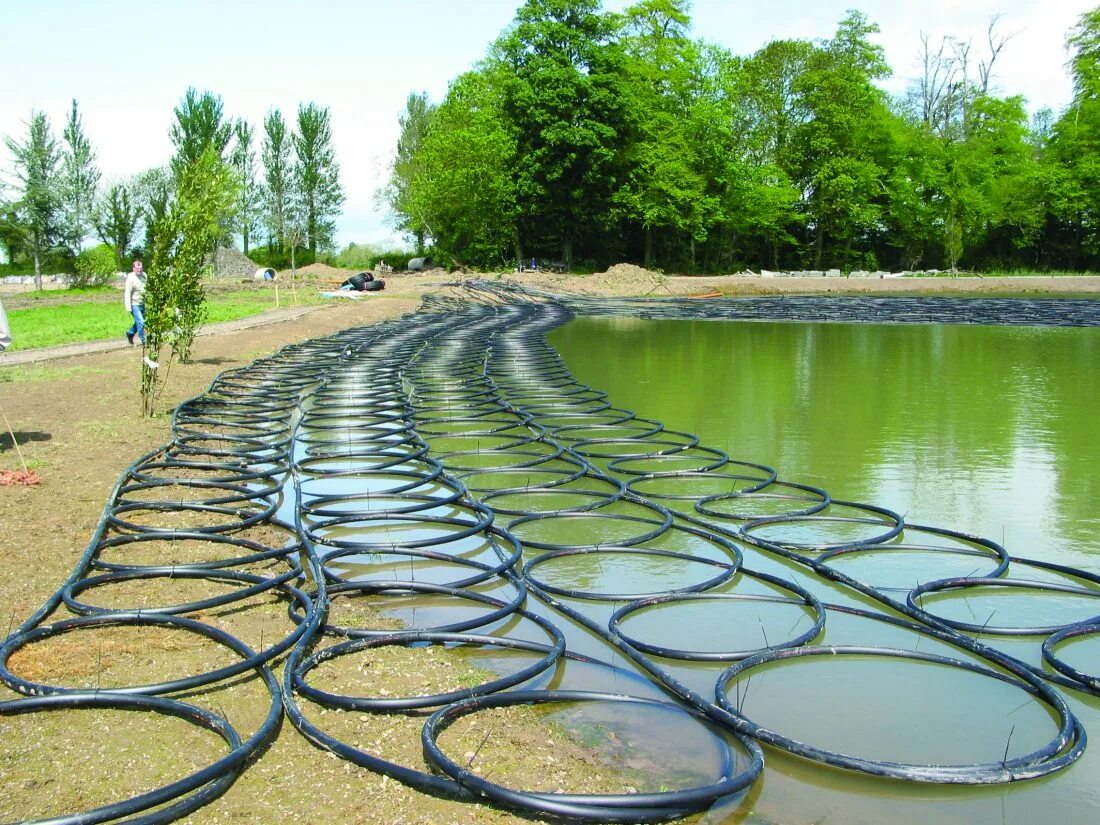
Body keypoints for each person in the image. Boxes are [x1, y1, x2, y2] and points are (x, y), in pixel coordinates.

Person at [123, 259, 147, 346]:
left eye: (140, 269)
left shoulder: (144, 275)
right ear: (133, 268)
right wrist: (128, 307)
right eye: (137, 269)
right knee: (141, 322)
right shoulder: (130, 278)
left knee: (141, 321)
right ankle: (144, 340)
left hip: (142, 303)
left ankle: (130, 333)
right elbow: (127, 293)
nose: (139, 271)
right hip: (134, 304)